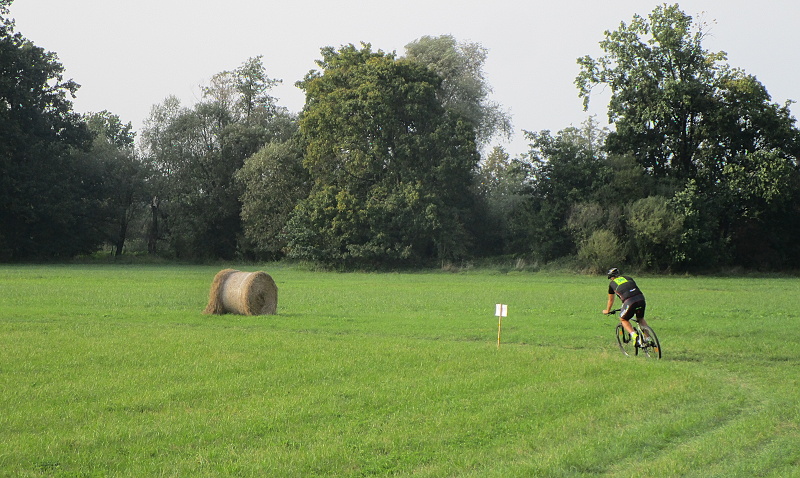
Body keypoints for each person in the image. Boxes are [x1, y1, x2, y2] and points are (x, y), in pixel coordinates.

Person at [602, 267, 650, 346]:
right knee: (640, 318)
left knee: (623, 319)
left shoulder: (612, 284)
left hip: (629, 301)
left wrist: (607, 310)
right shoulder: (628, 278)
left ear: (612, 277)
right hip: (641, 299)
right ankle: (648, 338)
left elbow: (610, 300)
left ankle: (634, 336)